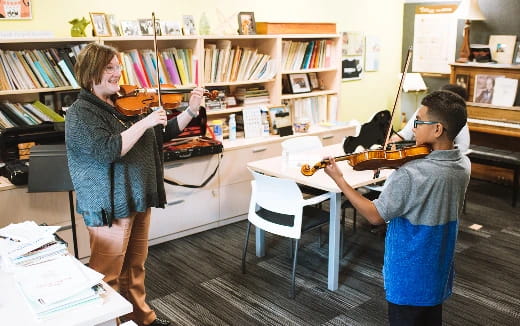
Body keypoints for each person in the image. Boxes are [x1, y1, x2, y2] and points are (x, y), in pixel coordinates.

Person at [65, 43, 205, 326]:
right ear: (91, 71)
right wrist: (145, 123)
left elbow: (158, 136)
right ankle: (111, 323)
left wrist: (190, 111)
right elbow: (108, 151)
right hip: (109, 205)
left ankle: (141, 319)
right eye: (109, 67)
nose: (117, 74)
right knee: (107, 275)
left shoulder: (123, 104)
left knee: (134, 267)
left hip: (137, 196)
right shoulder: (81, 113)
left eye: (118, 67)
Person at [324, 90, 471, 326]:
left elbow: (374, 216)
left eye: (418, 121)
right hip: (438, 267)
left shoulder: (411, 174)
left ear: (437, 129)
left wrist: (340, 180)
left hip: (409, 272)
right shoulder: (463, 165)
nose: (412, 128)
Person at [390, 83, 470, 152]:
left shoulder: (456, 118)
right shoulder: (424, 111)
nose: (414, 129)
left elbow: (463, 147)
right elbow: (404, 134)